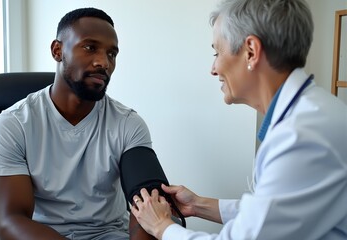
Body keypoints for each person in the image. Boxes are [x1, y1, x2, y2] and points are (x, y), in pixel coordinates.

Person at [131, 0, 347, 239]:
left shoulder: (301, 136)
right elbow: (272, 212)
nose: (213, 69)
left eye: (217, 52)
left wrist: (162, 227)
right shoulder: (312, 113)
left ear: (251, 52)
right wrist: (198, 205)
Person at [0, 7, 158, 240]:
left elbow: (148, 208)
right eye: (90, 47)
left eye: (112, 54)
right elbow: (9, 220)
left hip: (110, 234)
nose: (103, 62)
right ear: (58, 50)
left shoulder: (128, 124)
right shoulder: (12, 125)